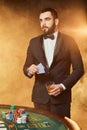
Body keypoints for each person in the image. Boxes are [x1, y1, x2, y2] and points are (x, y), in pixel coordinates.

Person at [23, 8, 84, 118]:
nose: (43, 23)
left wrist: (62, 86)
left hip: (61, 99)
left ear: (56, 21)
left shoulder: (70, 41)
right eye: (41, 20)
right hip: (40, 98)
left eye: (47, 19)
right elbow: (26, 67)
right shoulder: (33, 42)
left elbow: (79, 69)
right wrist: (29, 70)